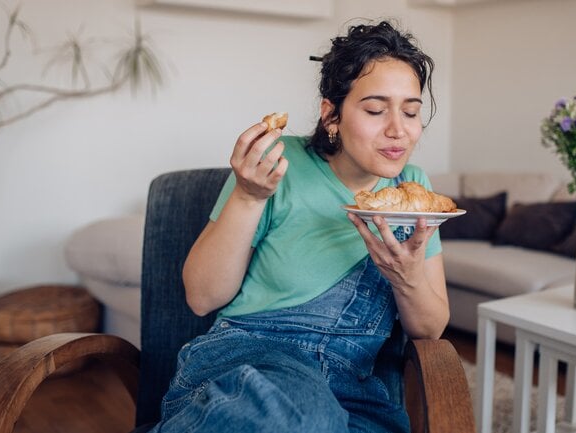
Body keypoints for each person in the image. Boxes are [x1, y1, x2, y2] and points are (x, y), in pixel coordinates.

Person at [151, 20, 448, 433]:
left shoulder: (413, 189)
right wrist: (248, 196)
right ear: (332, 115)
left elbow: (431, 327)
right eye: (376, 110)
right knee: (304, 415)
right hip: (250, 359)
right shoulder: (276, 165)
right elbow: (202, 297)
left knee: (320, 417)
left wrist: (407, 278)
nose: (399, 129)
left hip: (352, 387)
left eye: (412, 111)